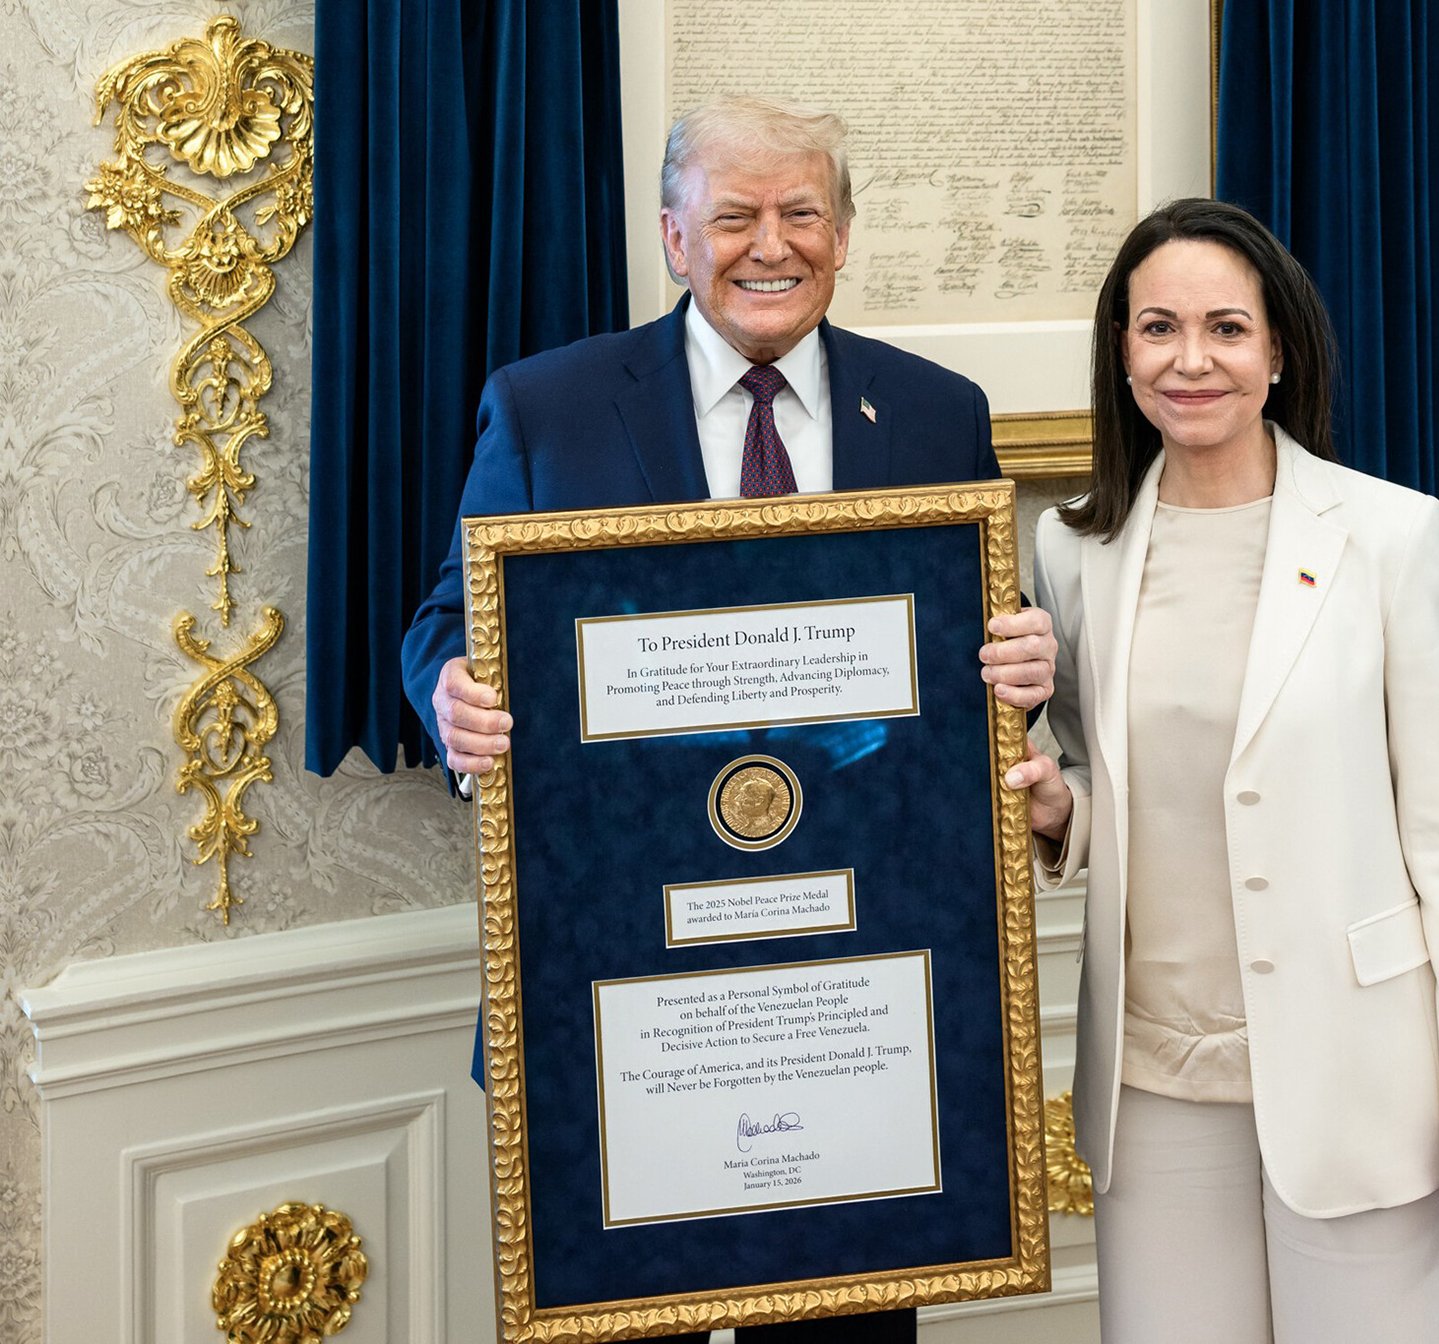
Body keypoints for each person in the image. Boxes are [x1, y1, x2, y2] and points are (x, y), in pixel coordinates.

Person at [401, 97, 1056, 1344]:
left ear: (843, 233)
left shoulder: (933, 413)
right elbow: (450, 619)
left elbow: (967, 639)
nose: (773, 245)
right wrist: (451, 695)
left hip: (852, 982)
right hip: (618, 975)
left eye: (802, 213)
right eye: (736, 216)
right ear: (672, 236)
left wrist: (1017, 656)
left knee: (841, 1325)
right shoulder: (549, 406)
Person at [1004, 198, 1439, 1343]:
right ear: (1120, 352)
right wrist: (1057, 809)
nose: (1190, 360)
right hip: (1151, 1084)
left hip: (1357, 1073)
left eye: (1225, 329)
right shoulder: (1070, 549)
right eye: (1156, 329)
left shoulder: (1388, 535)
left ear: (1278, 352)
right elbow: (1105, 778)